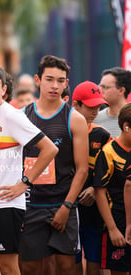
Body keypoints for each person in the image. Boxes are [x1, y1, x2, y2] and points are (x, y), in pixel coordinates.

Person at [0, 64, 57, 275]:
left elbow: (50, 149)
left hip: (7, 206)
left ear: (4, 90)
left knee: (8, 268)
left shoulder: (12, 116)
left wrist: (24, 183)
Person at [19, 55, 89, 274]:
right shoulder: (22, 116)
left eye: (61, 81)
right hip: (30, 206)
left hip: (62, 204)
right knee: (30, 269)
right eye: (50, 79)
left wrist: (67, 207)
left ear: (67, 83)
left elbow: (82, 169)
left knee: (66, 268)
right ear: (37, 80)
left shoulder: (74, 119)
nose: (55, 85)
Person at [71, 81, 111, 275]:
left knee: (95, 262)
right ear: (75, 105)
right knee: (71, 263)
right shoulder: (62, 132)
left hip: (95, 211)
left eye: (99, 106)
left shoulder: (102, 135)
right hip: (68, 208)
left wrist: (96, 189)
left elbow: (110, 172)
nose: (96, 111)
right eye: (90, 106)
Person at [93, 103, 131, 274]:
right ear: (126, 127)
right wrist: (112, 229)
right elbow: (99, 192)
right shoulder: (108, 152)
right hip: (118, 221)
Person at [95, 67, 131, 137]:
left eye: (105, 87)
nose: (100, 91)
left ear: (121, 90)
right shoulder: (95, 118)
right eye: (100, 86)